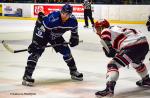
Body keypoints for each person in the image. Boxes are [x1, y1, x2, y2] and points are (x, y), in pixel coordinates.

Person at [22, 4, 83, 86]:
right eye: (63, 13)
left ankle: (73, 71)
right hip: (43, 33)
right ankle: (27, 75)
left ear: (70, 14)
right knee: (36, 52)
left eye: (67, 14)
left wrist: (74, 39)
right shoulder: (53, 19)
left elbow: (74, 33)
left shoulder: (73, 21)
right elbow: (41, 29)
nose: (64, 15)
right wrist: (35, 42)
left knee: (67, 52)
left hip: (55, 35)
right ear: (61, 11)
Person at [94, 19, 150, 98]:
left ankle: (109, 88)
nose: (97, 32)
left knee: (112, 65)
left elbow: (105, 34)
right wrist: (112, 50)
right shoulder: (116, 30)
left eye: (97, 29)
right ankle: (146, 79)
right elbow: (117, 49)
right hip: (144, 45)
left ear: (102, 27)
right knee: (136, 63)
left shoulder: (106, 30)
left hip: (132, 46)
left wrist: (109, 47)